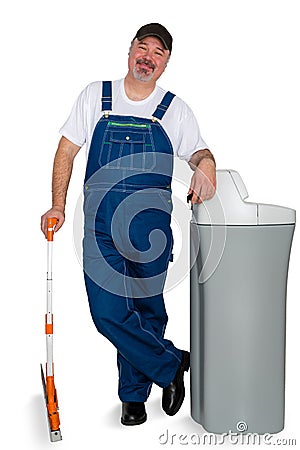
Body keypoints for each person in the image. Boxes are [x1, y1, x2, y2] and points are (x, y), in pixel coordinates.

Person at [41, 23, 216, 426]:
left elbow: (200, 152)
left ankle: (133, 398)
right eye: (143, 47)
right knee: (108, 313)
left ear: (166, 63)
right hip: (100, 226)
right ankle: (170, 365)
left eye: (158, 52)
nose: (148, 57)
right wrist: (57, 205)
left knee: (146, 310)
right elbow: (66, 150)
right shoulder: (96, 96)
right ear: (130, 50)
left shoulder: (175, 110)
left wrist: (206, 166)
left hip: (149, 230)